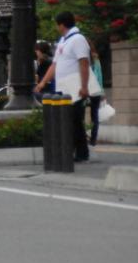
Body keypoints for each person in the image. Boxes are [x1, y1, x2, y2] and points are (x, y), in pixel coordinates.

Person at [35, 11, 95, 162]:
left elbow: (84, 63)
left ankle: (81, 152)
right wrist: (43, 82)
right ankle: (78, 151)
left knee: (74, 120)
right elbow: (55, 64)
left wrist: (84, 85)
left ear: (61, 25)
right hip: (64, 87)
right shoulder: (63, 40)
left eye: (57, 24)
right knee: (69, 120)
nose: (56, 27)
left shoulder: (78, 39)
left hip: (75, 85)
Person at [89, 41, 105, 147]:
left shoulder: (82, 60)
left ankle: (81, 137)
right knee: (94, 116)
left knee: (79, 114)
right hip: (96, 91)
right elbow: (99, 76)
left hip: (85, 90)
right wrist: (101, 91)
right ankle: (93, 139)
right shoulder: (96, 60)